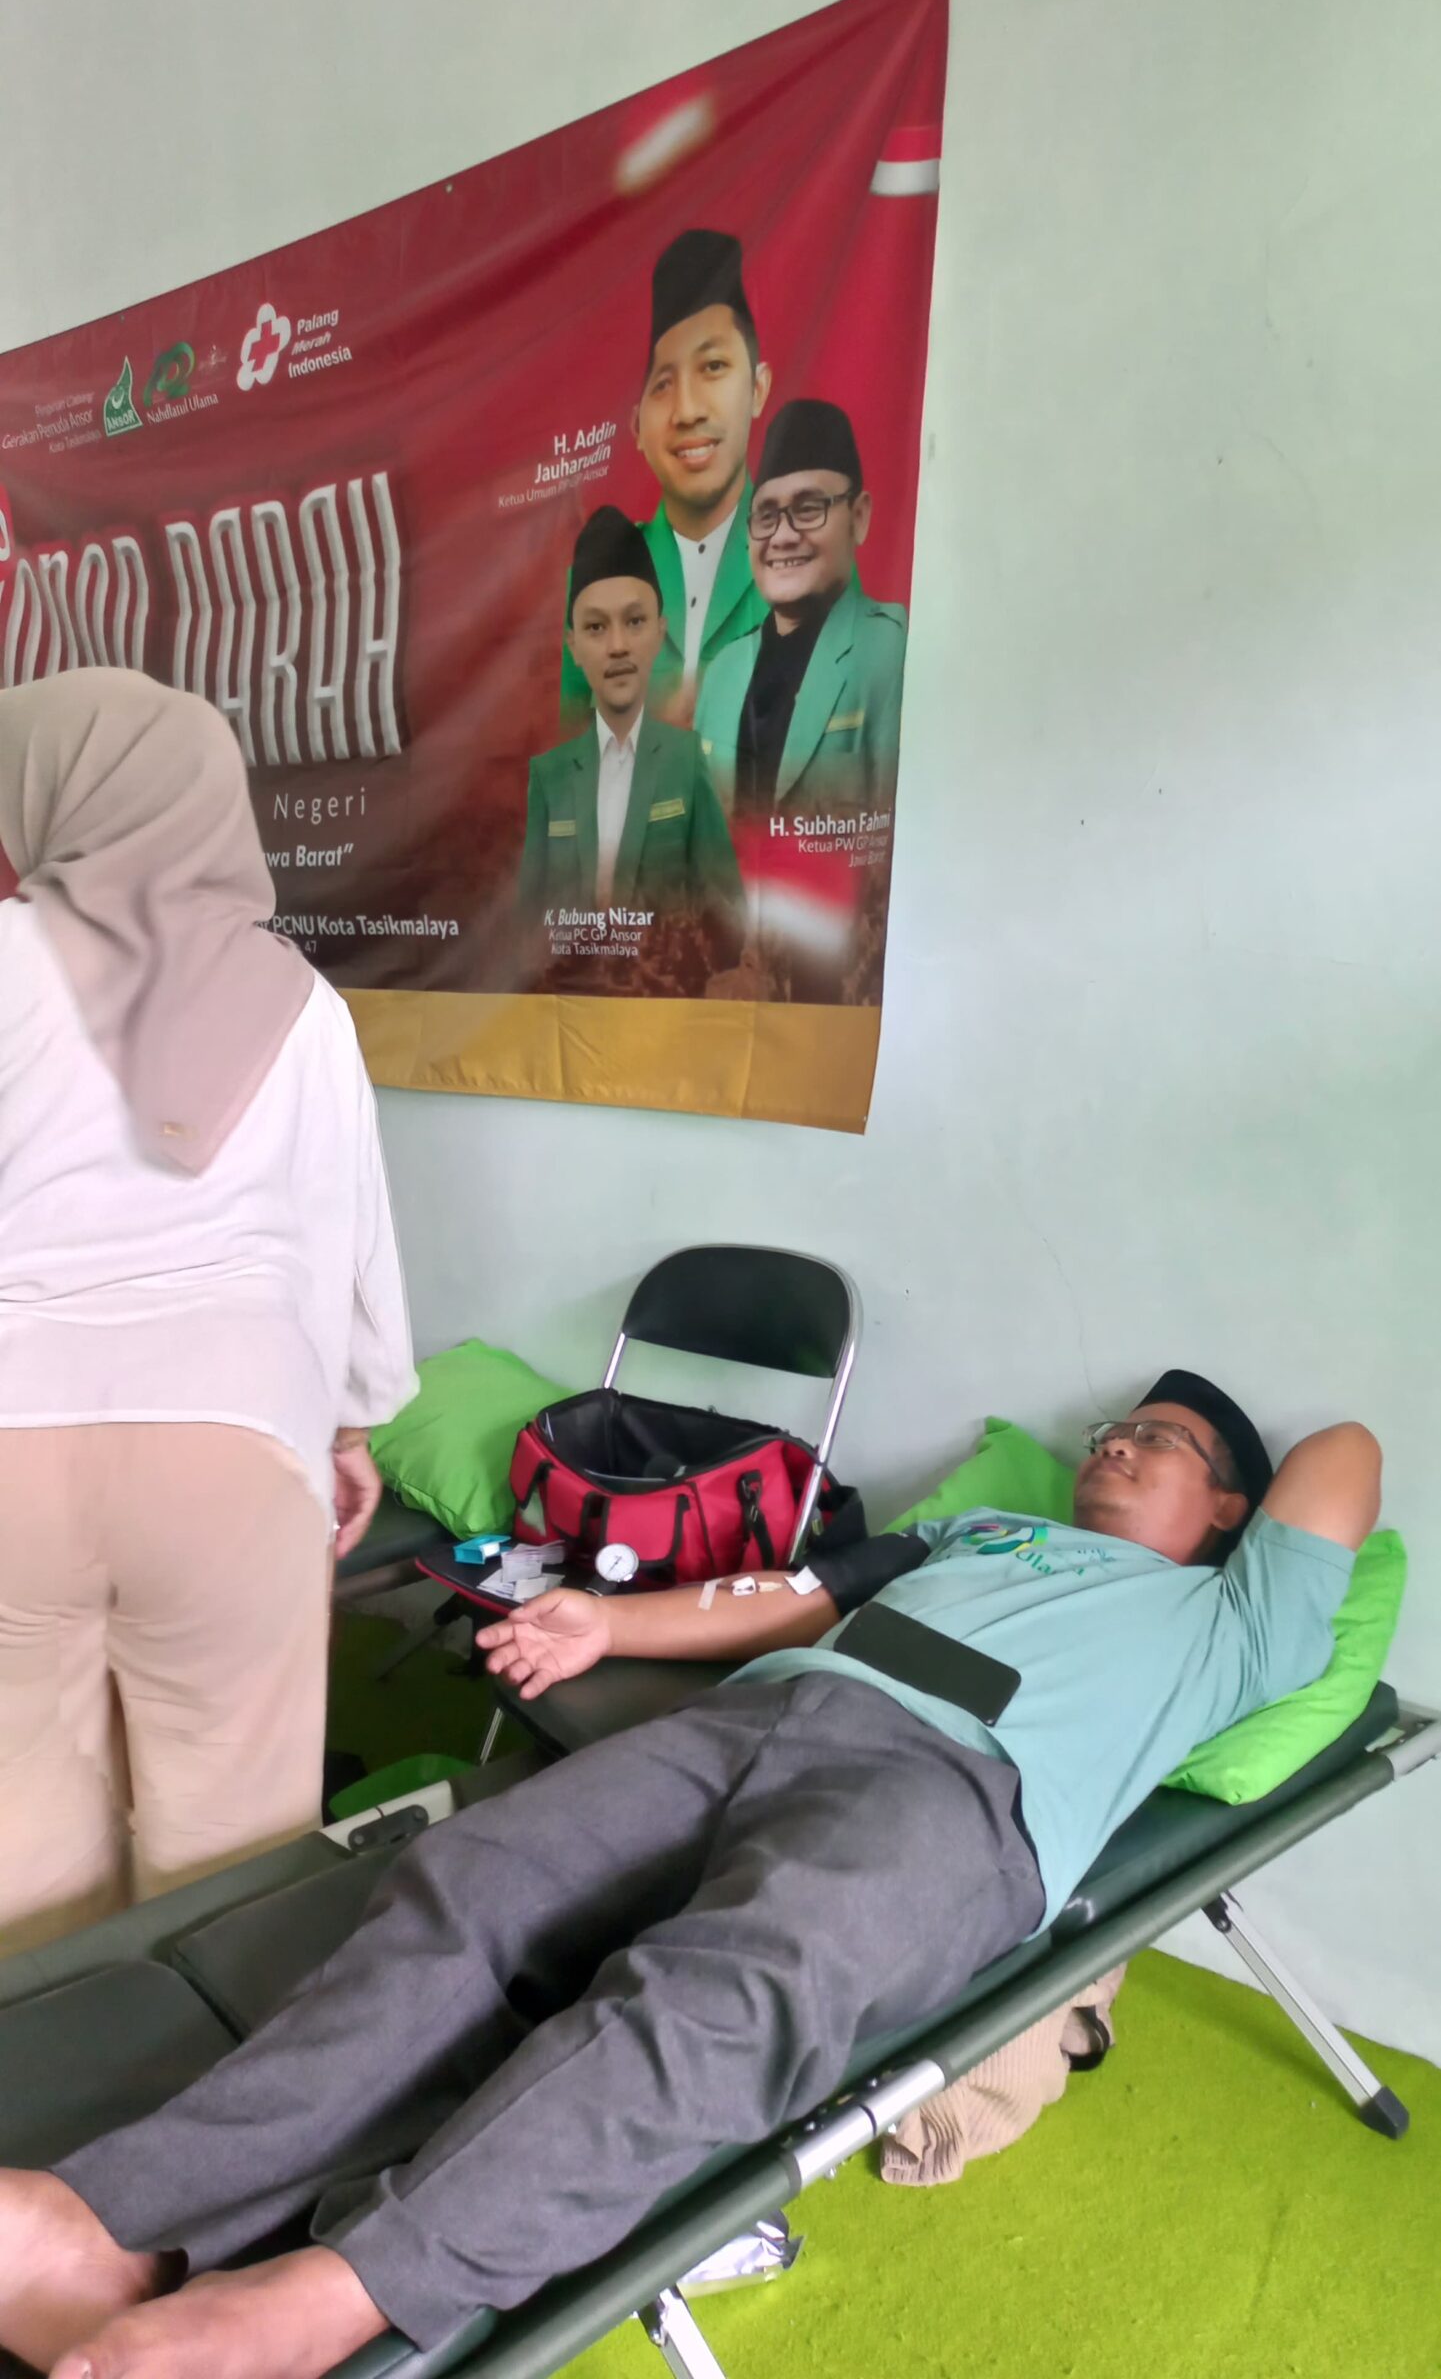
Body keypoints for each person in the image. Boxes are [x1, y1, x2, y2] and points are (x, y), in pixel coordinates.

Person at [0, 1372, 1379, 2379]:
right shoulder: (977, 1534)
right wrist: (606, 1625)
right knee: (472, 1878)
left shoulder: (1235, 1618)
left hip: (959, 1794)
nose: (1115, 1441)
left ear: (1231, 1509)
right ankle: (107, 2219)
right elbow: (794, 1598)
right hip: (760, 1715)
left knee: (726, 1989)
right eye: (1113, 1427)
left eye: (1160, 1440)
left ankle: (344, 2292)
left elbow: (1347, 1450)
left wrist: (1238, 1475)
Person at [0, 667, 417, 1954]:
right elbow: (346, 1246)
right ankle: (219, 2071)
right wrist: (351, 1428)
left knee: (17, 1840)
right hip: (234, 1452)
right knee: (236, 1842)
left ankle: (44, 2067)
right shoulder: (301, 1003)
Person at [559, 230, 772, 731]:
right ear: (637, 427)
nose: (688, 410)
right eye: (663, 384)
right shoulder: (598, 576)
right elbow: (572, 752)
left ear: (758, 389)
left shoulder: (803, 556)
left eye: (714, 366)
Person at [520, 507, 743, 929]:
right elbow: (528, 926)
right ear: (573, 645)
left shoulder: (686, 760)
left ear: (659, 631)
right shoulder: (549, 777)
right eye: (596, 627)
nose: (618, 645)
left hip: (663, 971)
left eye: (635, 621)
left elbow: (727, 911)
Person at [696, 397, 906, 822]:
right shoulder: (721, 673)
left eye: (808, 509)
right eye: (766, 515)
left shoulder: (889, 651)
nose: (783, 537)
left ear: (859, 517)